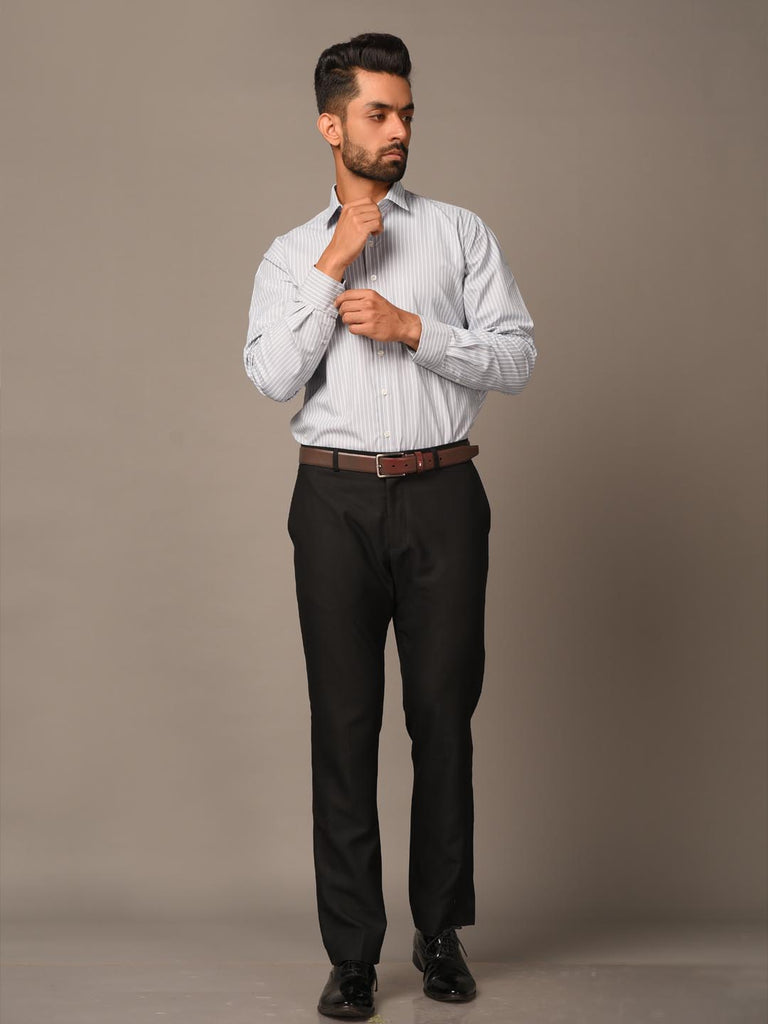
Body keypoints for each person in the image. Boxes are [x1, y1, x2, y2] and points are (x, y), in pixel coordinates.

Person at [243, 31, 536, 1020]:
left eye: (406, 112)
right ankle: (353, 956)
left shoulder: (459, 235)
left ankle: (440, 933)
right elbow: (270, 376)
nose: (399, 129)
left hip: (443, 493)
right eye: (379, 113)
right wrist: (331, 267)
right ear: (332, 126)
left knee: (442, 718)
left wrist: (416, 330)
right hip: (333, 503)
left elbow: (517, 357)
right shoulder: (291, 254)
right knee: (343, 725)